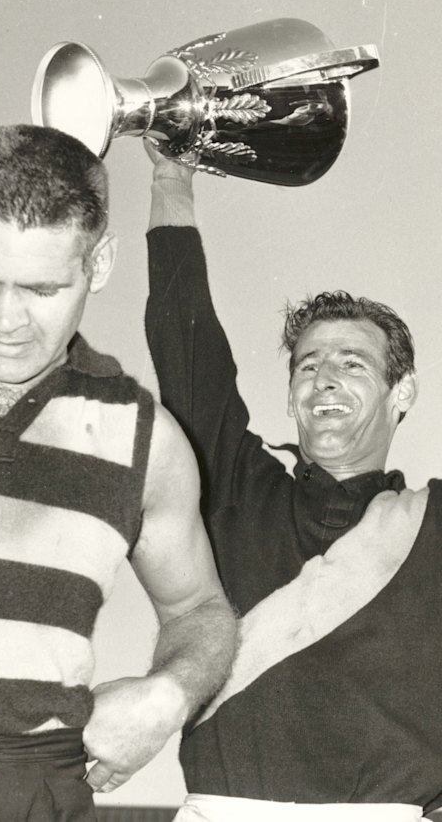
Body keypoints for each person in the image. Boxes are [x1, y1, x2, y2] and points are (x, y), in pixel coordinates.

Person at [0, 125, 237, 822]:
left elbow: (199, 611)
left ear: (100, 264)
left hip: (48, 789)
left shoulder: (143, 438)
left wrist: (170, 694)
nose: (4, 320)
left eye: (40, 288)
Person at [143, 142, 442, 822]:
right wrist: (171, 177)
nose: (325, 379)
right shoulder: (237, 492)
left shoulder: (436, 524)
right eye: (308, 366)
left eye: (353, 364)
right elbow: (186, 348)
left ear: (404, 393)